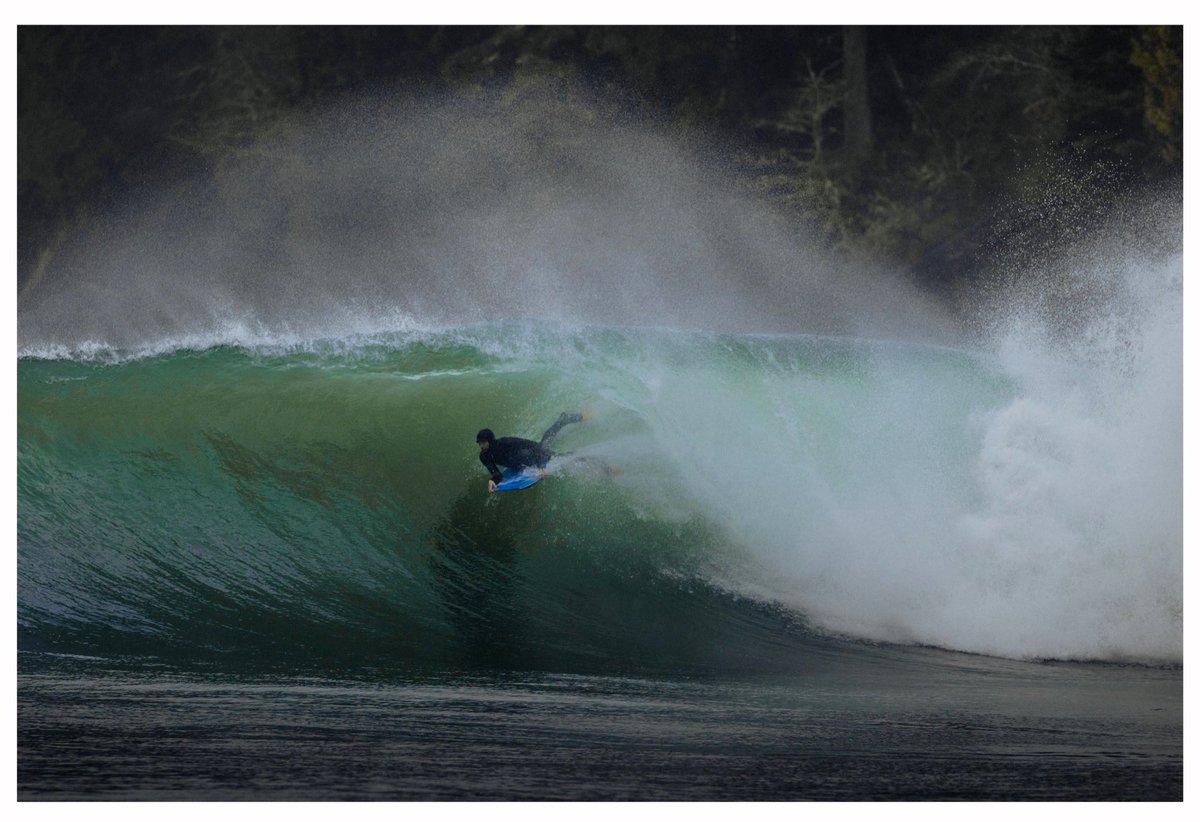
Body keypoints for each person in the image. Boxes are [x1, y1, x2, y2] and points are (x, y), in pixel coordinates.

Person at [477, 410, 590, 493]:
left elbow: (533, 446)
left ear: (490, 440)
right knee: (547, 438)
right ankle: (562, 420)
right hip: (523, 462)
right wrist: (493, 480)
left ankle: (567, 419)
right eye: (479, 443)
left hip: (536, 454)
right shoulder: (484, 456)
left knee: (558, 454)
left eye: (482, 442)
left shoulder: (505, 442)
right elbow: (497, 474)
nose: (480, 445)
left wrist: (540, 466)